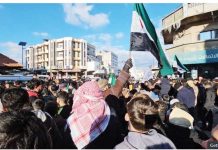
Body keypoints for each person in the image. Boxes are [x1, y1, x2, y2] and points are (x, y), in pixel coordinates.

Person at [67, 58, 132, 149]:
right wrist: (125, 69)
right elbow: (116, 89)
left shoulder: (71, 120)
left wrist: (125, 69)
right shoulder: (109, 114)